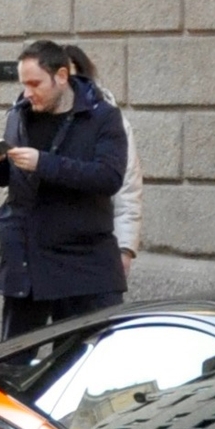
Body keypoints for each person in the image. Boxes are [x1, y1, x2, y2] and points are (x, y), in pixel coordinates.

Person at [0, 38, 128, 338]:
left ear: (61, 76)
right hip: (27, 262)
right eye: (23, 84)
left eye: (35, 83)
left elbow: (109, 177)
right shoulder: (20, 113)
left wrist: (44, 163)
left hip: (84, 266)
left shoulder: (103, 116)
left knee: (83, 367)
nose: (27, 92)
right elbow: (14, 178)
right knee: (15, 366)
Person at [64, 44, 141, 269]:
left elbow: (128, 187)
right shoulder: (35, 117)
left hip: (97, 242)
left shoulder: (110, 120)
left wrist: (125, 248)